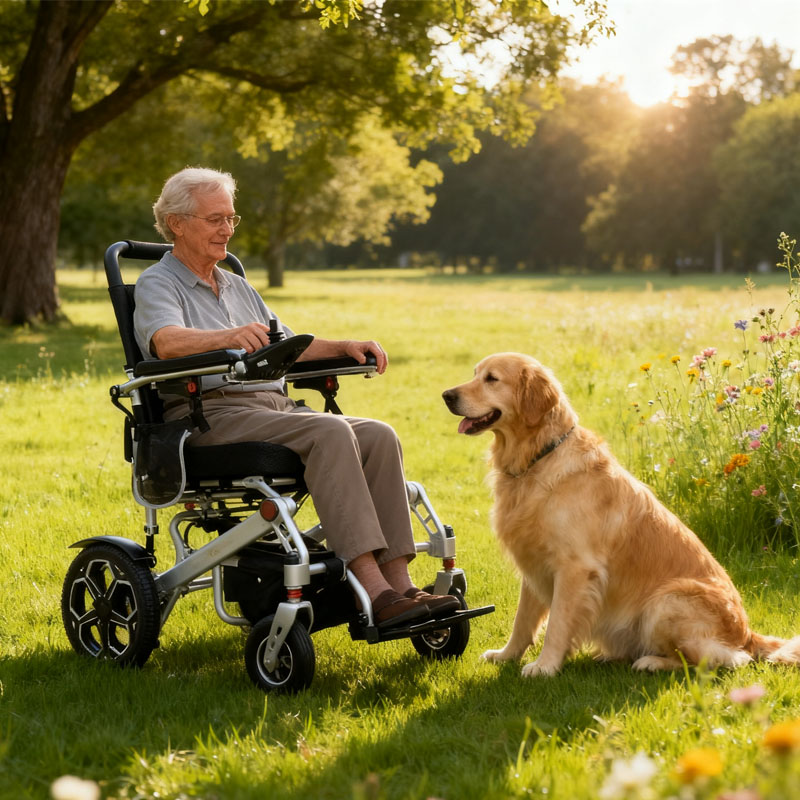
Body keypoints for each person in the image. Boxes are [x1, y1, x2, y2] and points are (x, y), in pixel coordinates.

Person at [133, 167, 458, 629]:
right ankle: (374, 590)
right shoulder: (157, 283)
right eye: (214, 219)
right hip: (209, 416)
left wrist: (343, 346)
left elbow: (286, 344)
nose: (227, 228)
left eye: (231, 218)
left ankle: (401, 585)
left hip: (273, 409)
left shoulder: (236, 285)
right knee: (328, 431)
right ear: (177, 223)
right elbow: (165, 343)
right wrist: (228, 337)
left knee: (378, 436)